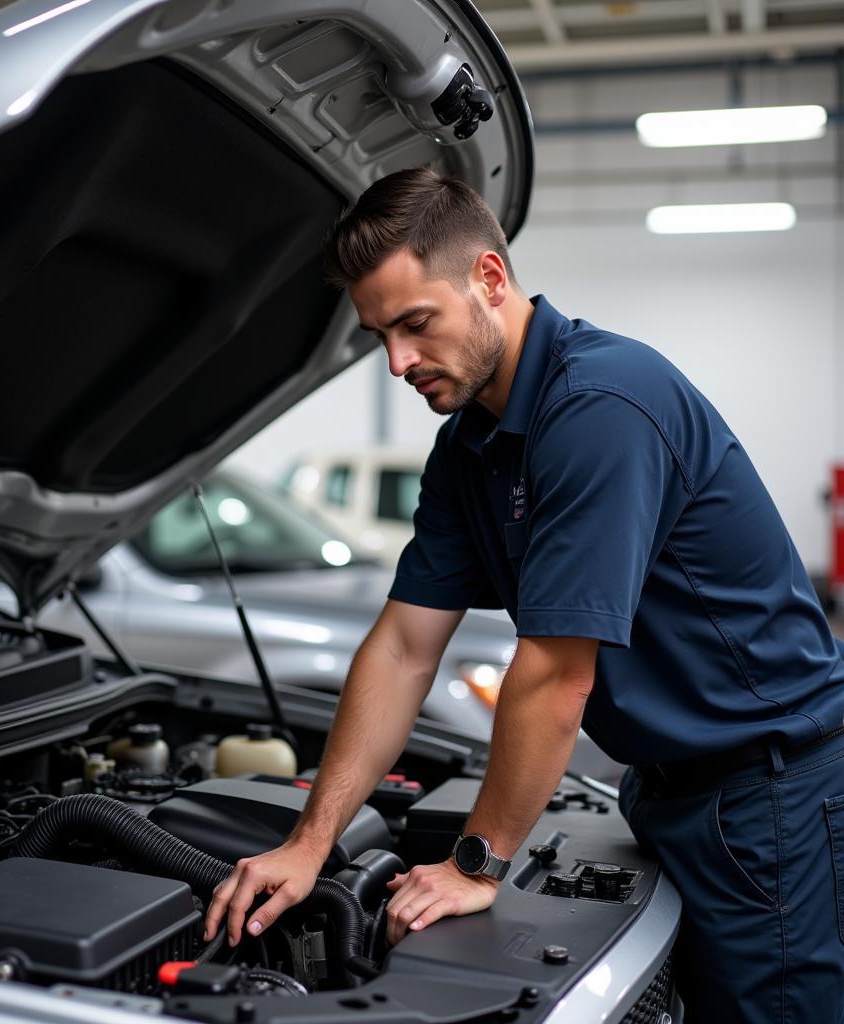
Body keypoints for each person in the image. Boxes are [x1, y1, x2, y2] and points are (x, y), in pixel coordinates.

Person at [203, 166, 844, 1023]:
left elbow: (554, 674)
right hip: (667, 787)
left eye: (415, 324)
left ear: (490, 279)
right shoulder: (471, 445)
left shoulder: (602, 405)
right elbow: (402, 647)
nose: (397, 362)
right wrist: (310, 844)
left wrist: (478, 865)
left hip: (770, 793)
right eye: (378, 336)